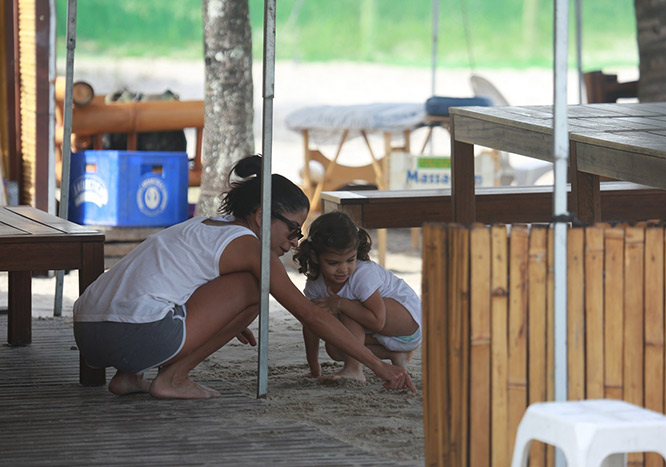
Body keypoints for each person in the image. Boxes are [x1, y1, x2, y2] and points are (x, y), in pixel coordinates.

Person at [73, 155, 415, 399]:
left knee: (228, 291)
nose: (296, 241)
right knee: (256, 287)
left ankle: (129, 376)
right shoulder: (252, 248)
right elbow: (309, 313)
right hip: (136, 333)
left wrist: (224, 316)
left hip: (89, 332)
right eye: (294, 229)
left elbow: (176, 280)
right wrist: (378, 367)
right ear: (263, 217)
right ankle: (172, 379)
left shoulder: (203, 225)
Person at [293, 211, 422, 382]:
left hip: (406, 321)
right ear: (315, 257)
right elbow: (311, 324)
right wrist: (314, 368)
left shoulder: (362, 274)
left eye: (350, 260)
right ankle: (395, 354)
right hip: (383, 337)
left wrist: (340, 304)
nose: (343, 269)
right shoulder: (315, 285)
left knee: (348, 307)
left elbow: (378, 321)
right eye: (333, 263)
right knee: (334, 347)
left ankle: (354, 370)